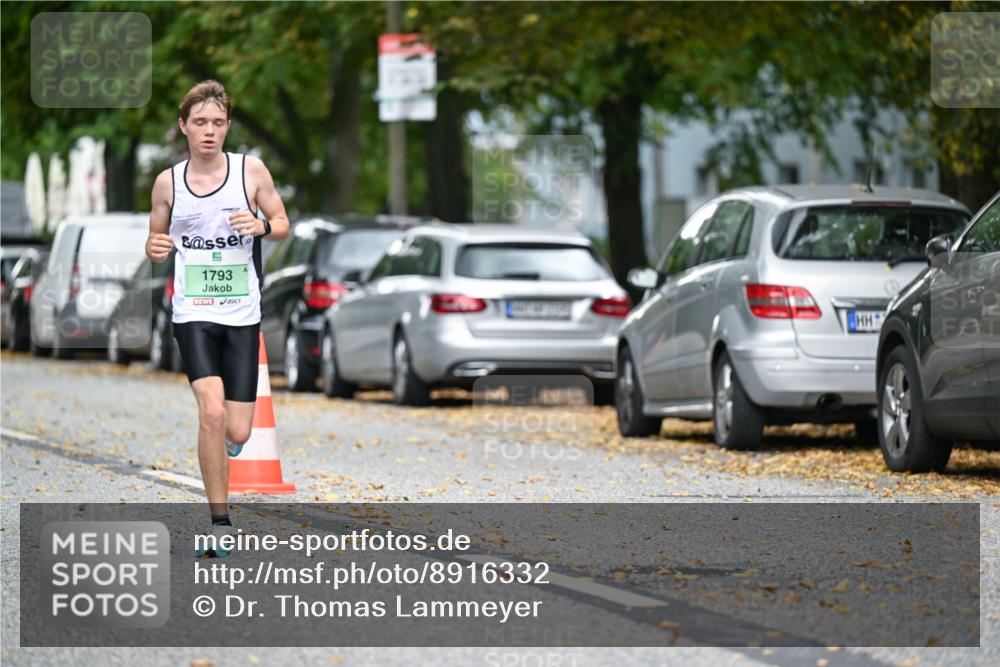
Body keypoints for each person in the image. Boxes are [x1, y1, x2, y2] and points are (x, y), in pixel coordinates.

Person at [145, 80, 290, 556]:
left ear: (228, 127)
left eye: (218, 123)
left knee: (239, 430)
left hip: (243, 312)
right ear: (183, 127)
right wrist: (155, 247)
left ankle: (225, 447)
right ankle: (220, 522)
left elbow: (282, 223)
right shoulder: (168, 182)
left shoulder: (251, 171)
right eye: (200, 122)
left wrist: (262, 226)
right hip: (194, 312)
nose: (209, 131)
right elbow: (154, 239)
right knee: (210, 411)